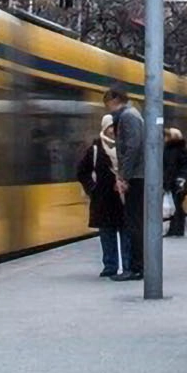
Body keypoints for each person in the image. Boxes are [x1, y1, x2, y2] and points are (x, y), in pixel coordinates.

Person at [74, 114, 126, 276]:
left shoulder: (127, 146)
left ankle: (128, 265)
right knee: (107, 234)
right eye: (110, 127)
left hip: (124, 197)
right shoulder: (96, 149)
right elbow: (82, 171)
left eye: (115, 127)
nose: (113, 131)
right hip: (103, 199)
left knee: (127, 233)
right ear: (104, 128)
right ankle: (110, 265)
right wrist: (92, 189)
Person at [108, 88, 144, 281]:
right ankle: (138, 266)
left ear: (115, 99)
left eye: (108, 103)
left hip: (136, 177)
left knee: (134, 223)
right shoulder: (133, 114)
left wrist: (123, 177)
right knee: (135, 222)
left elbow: (132, 147)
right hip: (137, 175)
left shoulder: (128, 117)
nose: (108, 108)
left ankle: (137, 268)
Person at [162, 127, 187, 238]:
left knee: (176, 206)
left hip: (177, 183)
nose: (164, 138)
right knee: (176, 206)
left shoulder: (172, 150)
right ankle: (176, 229)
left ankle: (176, 229)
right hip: (179, 183)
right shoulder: (180, 149)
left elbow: (170, 168)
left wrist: (169, 181)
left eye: (167, 136)